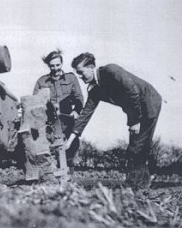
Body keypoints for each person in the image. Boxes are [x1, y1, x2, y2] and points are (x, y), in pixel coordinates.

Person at [66, 52, 162, 188]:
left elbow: (133, 92)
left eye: (81, 73)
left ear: (91, 67)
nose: (80, 77)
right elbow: (85, 114)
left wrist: (134, 121)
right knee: (137, 146)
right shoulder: (95, 90)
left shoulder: (111, 70)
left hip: (148, 103)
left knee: (137, 147)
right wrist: (70, 141)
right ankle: (143, 180)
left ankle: (134, 186)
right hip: (136, 110)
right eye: (78, 74)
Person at [33, 49, 84, 166]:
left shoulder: (71, 78)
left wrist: (76, 110)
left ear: (61, 63)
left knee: (71, 148)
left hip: (67, 118)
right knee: (50, 150)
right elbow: (36, 103)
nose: (55, 68)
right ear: (48, 66)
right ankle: (51, 175)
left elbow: (79, 98)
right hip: (49, 121)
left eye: (58, 65)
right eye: (52, 66)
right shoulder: (41, 82)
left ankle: (68, 177)